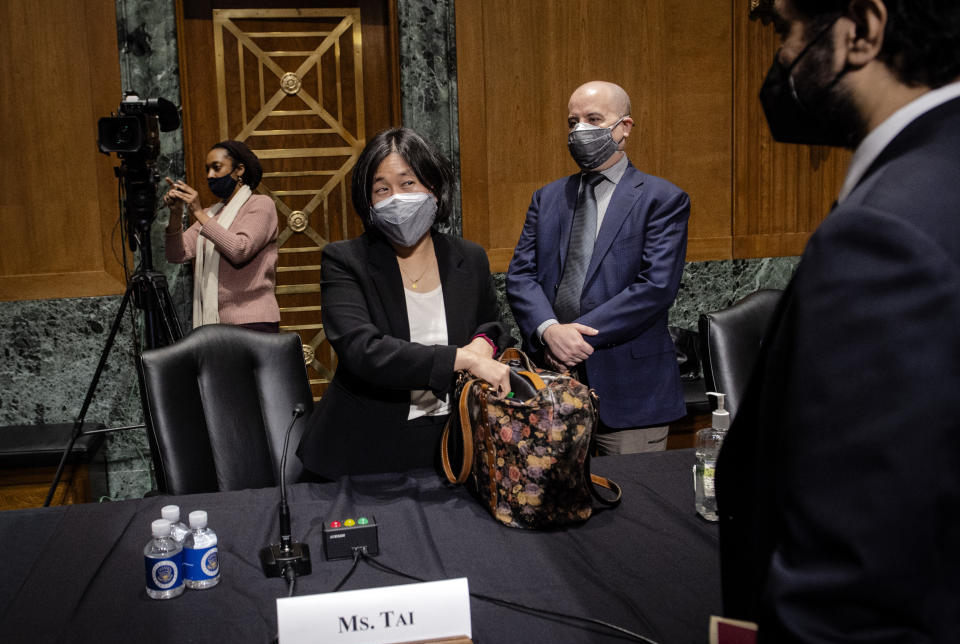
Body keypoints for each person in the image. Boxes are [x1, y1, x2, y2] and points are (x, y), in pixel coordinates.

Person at [716, 0, 960, 644]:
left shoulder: (888, 236)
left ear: (860, 28)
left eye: (787, 30)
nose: (781, 59)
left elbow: (856, 596)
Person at [296, 127, 514, 479]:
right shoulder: (345, 260)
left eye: (408, 183)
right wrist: (464, 359)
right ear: (369, 203)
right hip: (365, 453)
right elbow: (364, 350)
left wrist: (483, 344)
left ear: (434, 187)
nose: (395, 197)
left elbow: (493, 325)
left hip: (453, 443)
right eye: (382, 189)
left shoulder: (468, 256)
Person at [506, 81, 690, 454]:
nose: (580, 131)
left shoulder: (663, 199)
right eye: (573, 121)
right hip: (551, 386)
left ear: (624, 127)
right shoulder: (547, 198)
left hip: (632, 394)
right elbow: (521, 275)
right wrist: (549, 330)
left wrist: (575, 337)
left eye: (593, 119)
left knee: (635, 506)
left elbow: (654, 287)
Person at [163, 140, 280, 332]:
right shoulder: (212, 214)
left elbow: (240, 249)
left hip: (253, 321)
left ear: (239, 170)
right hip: (216, 325)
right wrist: (176, 214)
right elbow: (177, 254)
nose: (210, 176)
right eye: (207, 169)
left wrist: (198, 212)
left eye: (217, 168)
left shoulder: (261, 205)